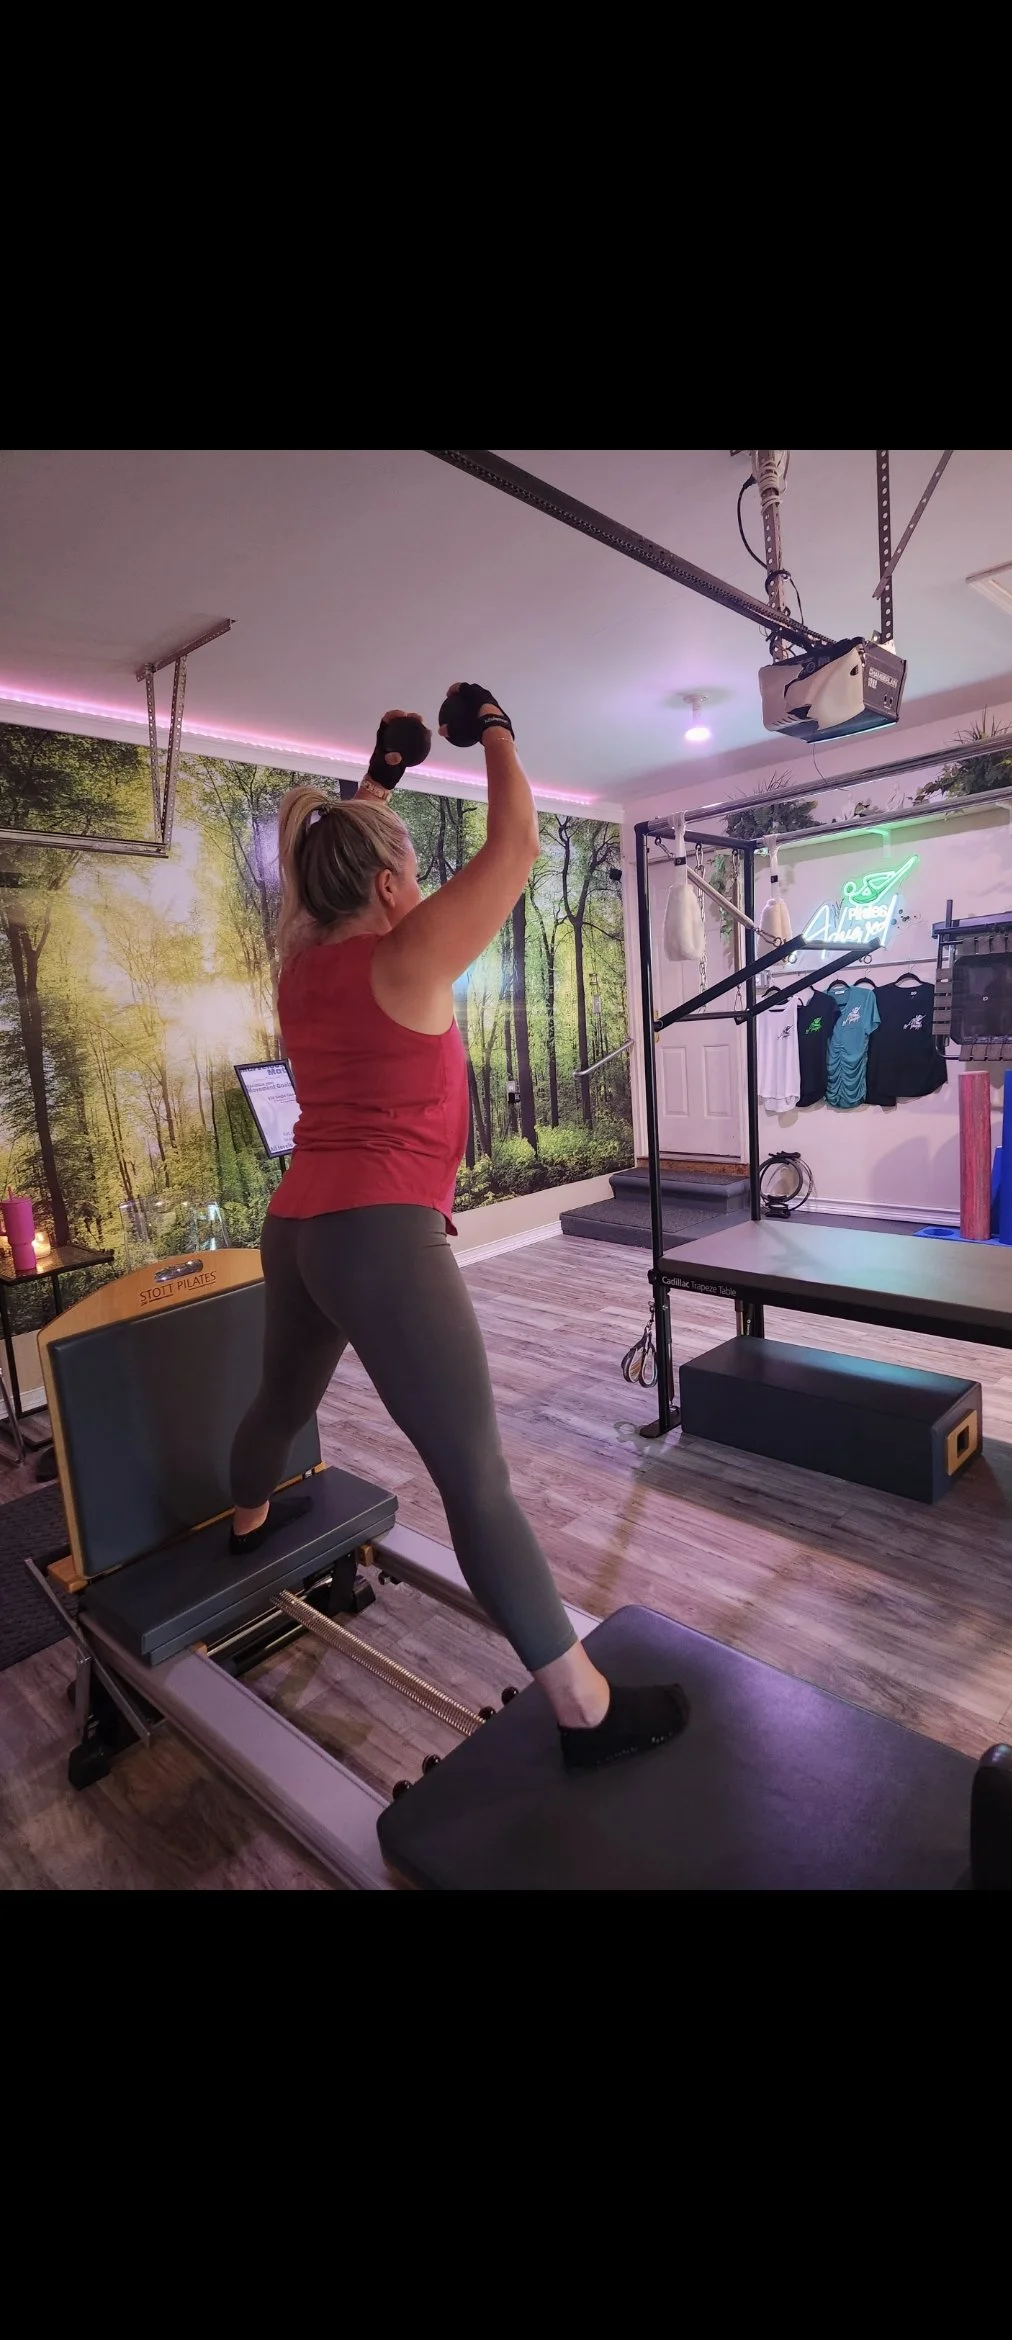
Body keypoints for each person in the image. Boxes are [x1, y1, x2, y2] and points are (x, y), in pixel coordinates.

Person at [228, 684, 688, 1771]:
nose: (428, 892)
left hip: (295, 1224)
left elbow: (323, 871)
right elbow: (519, 839)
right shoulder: (407, 954)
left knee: (279, 1403)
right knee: (474, 1475)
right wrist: (492, 727)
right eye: (414, 878)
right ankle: (584, 1710)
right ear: (392, 888)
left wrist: (379, 781)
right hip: (381, 1235)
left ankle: (245, 1527)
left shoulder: (298, 963)